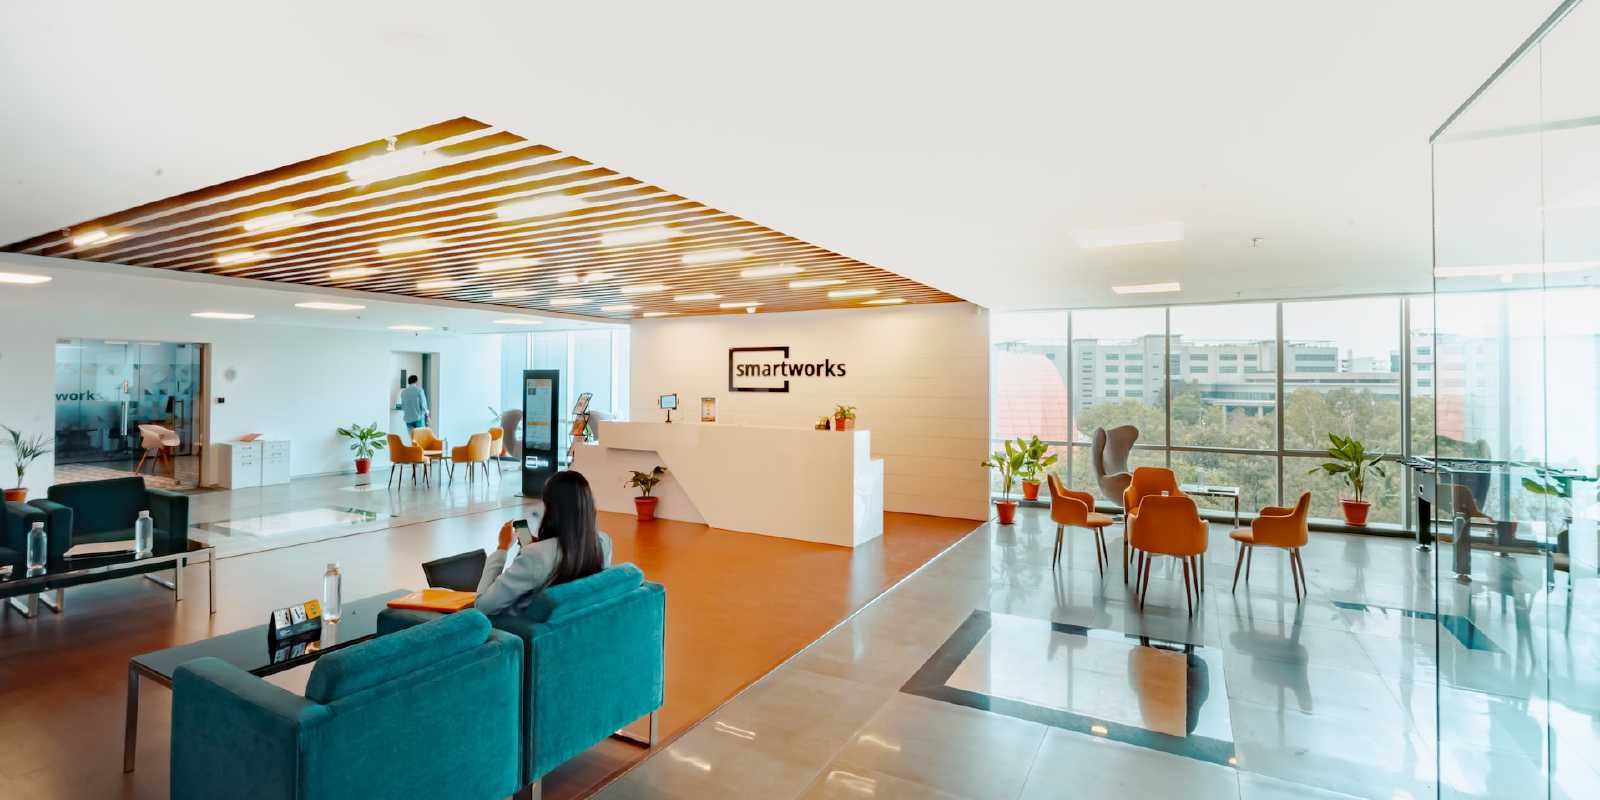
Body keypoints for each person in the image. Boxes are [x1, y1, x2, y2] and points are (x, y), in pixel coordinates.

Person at [476, 470, 612, 615]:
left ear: (551, 509)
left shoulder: (536, 556)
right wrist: (537, 546)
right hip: (574, 618)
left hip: (518, 625)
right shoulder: (603, 542)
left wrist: (502, 548)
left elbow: (483, 606)